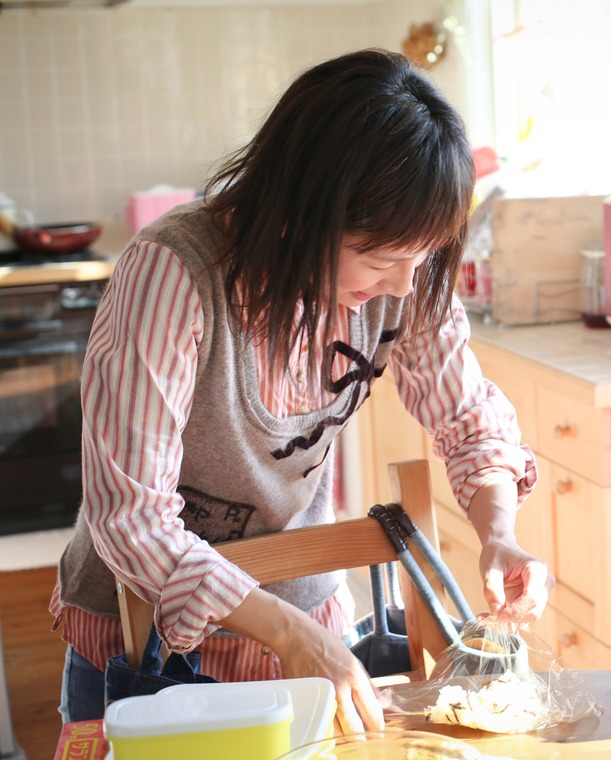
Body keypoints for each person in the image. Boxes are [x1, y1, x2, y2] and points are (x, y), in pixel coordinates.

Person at [51, 49, 551, 733]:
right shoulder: (174, 275)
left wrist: (499, 534)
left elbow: (467, 417)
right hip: (145, 646)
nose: (405, 286)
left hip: (301, 629)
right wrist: (285, 633)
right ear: (301, 215)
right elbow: (131, 520)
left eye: (421, 259)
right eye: (382, 261)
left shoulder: (408, 276)